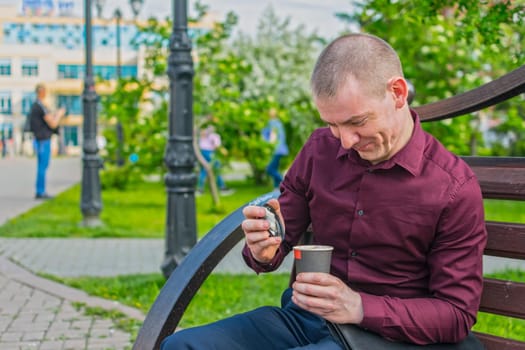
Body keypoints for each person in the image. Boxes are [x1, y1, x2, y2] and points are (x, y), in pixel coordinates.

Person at [160, 33, 487, 349]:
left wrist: (359, 306)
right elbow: (279, 236)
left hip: (389, 340)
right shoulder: (320, 150)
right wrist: (262, 250)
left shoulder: (452, 187)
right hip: (305, 321)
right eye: (333, 124)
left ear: (397, 93)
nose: (345, 141)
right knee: (182, 345)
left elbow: (456, 314)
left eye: (357, 122)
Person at [29, 84, 65, 199]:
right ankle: (40, 191)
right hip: (43, 140)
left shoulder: (36, 106)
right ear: (42, 93)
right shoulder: (40, 106)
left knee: (42, 165)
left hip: (40, 139)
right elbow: (53, 123)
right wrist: (59, 115)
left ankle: (40, 190)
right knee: (42, 166)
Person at [196, 125, 233, 195]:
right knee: (217, 169)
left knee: (204, 170)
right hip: (210, 153)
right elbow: (216, 145)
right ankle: (223, 188)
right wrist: (222, 150)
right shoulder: (214, 136)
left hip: (202, 152)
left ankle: (200, 189)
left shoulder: (203, 135)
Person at [263, 108, 289, 188]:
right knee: (275, 168)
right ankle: (277, 188)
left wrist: (269, 145)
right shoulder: (279, 123)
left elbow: (272, 136)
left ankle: (285, 183)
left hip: (275, 149)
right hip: (280, 149)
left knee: (270, 169)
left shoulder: (272, 123)